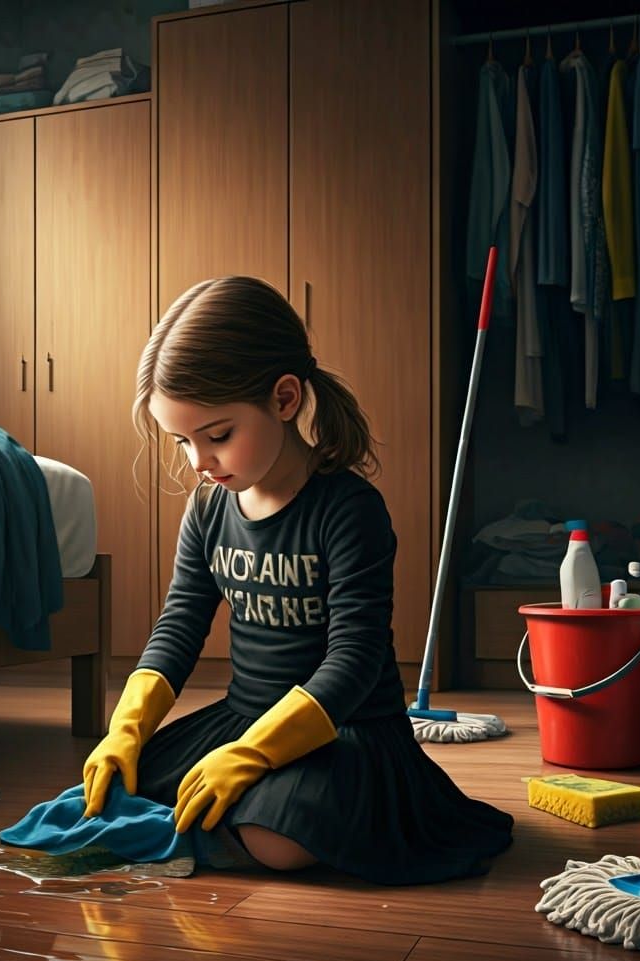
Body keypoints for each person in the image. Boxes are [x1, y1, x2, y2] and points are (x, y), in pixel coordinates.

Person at [81, 276, 513, 883]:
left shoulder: (347, 509)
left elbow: (354, 661)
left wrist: (255, 755)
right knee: (113, 784)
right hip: (243, 718)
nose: (199, 463)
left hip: (344, 732)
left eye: (218, 436)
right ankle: (202, 829)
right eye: (182, 441)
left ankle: (201, 834)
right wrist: (125, 729)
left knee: (277, 838)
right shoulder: (208, 507)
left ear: (285, 400)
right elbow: (178, 628)